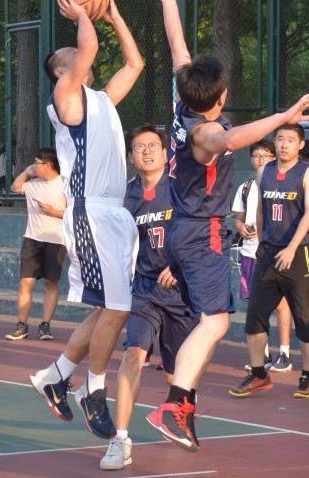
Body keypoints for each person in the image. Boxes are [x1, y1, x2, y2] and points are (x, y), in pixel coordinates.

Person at [145, 0, 309, 451]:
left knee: (205, 321)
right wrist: (284, 116)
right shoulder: (206, 132)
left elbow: (179, 49)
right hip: (200, 230)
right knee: (217, 321)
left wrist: (168, 1)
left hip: (184, 225)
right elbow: (233, 138)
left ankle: (183, 402)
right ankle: (173, 404)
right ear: (220, 95)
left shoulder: (184, 102)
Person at [30, 0, 144, 440]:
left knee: (107, 310)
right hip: (89, 213)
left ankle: (55, 375)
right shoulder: (65, 95)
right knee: (118, 308)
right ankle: (93, 390)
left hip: (113, 213)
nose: (81, 54)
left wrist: (114, 14)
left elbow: (134, 65)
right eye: (72, 55)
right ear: (62, 71)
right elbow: (90, 46)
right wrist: (81, 13)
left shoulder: (100, 100)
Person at [101, 124, 199, 470]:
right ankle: (120, 440)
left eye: (153, 146)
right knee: (133, 354)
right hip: (143, 290)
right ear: (131, 156)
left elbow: (201, 232)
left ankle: (181, 412)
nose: (147, 151)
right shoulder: (124, 198)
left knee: (176, 375)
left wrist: (180, 264)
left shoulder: (180, 189)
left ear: (165, 152)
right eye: (139, 147)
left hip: (181, 292)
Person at [230, 123, 309, 399]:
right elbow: (260, 210)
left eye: (290, 140)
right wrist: (261, 243)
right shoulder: (265, 171)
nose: (284, 144)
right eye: (280, 139)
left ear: (301, 145)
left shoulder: (308, 172)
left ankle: (308, 377)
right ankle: (259, 373)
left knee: (307, 316)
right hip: (269, 251)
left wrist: (292, 247)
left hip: (300, 252)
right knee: (255, 314)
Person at [232, 139, 295, 372]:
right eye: (257, 156)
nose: (261, 160)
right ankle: (263, 354)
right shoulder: (246, 187)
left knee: (281, 305)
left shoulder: (282, 184)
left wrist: (265, 229)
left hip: (274, 253)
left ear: (274, 158)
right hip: (250, 253)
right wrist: (241, 227)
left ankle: (285, 354)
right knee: (256, 307)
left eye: (266, 156)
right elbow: (239, 219)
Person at [6, 148, 67, 341]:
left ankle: (45, 325)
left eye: (36, 163)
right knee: (25, 283)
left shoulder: (65, 184)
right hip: (32, 239)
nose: (34, 166)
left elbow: (73, 213)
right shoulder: (33, 184)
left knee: (51, 283)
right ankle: (21, 325)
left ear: (48, 165)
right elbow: (15, 188)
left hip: (56, 240)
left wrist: (53, 212)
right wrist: (26, 172)